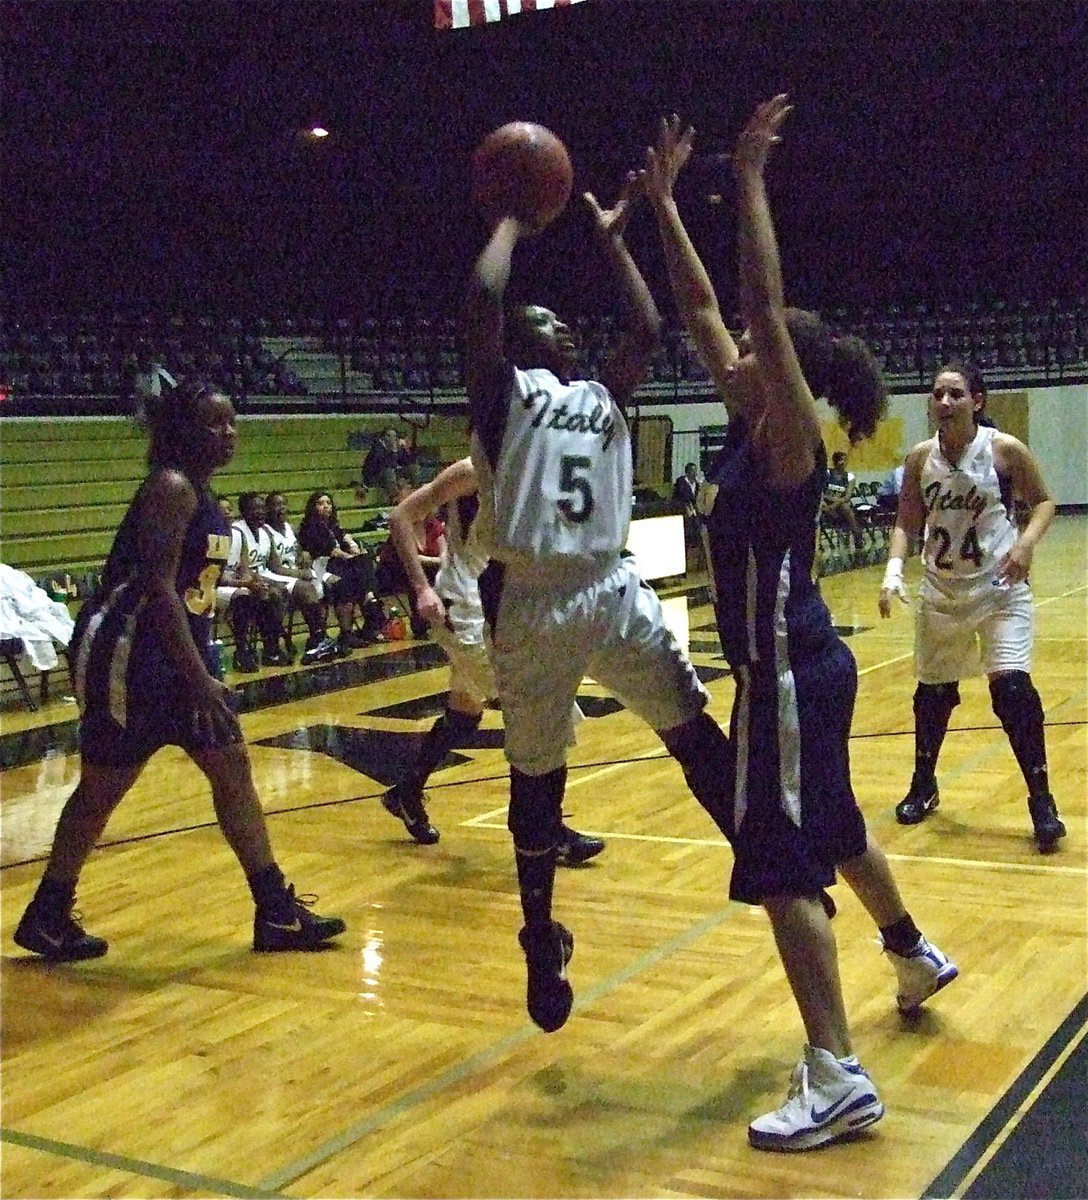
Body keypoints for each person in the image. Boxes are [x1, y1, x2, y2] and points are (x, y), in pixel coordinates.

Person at [644, 98, 957, 1152]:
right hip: (809, 666)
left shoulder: (789, 449)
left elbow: (756, 305)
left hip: (780, 675)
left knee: (781, 865)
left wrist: (750, 184)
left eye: (750, 352)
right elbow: (700, 307)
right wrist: (661, 206)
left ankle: (834, 1076)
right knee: (832, 826)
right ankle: (910, 951)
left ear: (783, 378)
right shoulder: (752, 433)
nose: (725, 354)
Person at [465, 171, 738, 1038]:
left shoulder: (602, 395)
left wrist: (618, 246)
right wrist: (512, 219)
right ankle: (539, 936)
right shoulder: (507, 394)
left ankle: (762, 857)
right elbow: (479, 300)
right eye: (548, 322)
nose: (567, 328)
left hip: (610, 585)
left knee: (695, 729)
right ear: (521, 342)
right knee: (536, 778)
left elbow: (650, 327)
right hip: (538, 597)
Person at [13, 375, 346, 962]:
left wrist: (199, 664)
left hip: (171, 653)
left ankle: (275, 910)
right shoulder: (170, 487)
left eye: (233, 421)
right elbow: (158, 589)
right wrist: (200, 677)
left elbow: (191, 595)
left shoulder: (203, 494)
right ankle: (48, 912)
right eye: (215, 423)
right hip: (128, 651)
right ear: (182, 432)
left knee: (231, 767)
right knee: (102, 786)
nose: (229, 432)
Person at [381, 457, 604, 867]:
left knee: (464, 714)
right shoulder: (471, 470)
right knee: (543, 713)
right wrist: (420, 588)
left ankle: (406, 793)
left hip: (491, 600)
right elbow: (400, 517)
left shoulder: (530, 464)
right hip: (460, 604)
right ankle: (546, 831)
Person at [878, 359, 1064, 851]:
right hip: (941, 590)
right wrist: (893, 571)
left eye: (955, 394)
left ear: (976, 401)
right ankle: (924, 784)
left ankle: (1041, 800)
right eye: (938, 394)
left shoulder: (1003, 450)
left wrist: (1024, 545)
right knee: (932, 695)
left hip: (999, 587)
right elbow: (906, 520)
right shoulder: (920, 458)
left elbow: (1045, 501)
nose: (944, 402)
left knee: (1013, 691)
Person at [297, 490, 386, 653]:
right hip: (321, 566)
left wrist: (352, 544)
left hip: (339, 564)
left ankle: (369, 596)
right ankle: (366, 605)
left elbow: (344, 535)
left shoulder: (332, 527)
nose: (325, 506)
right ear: (313, 507)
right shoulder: (309, 528)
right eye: (321, 503)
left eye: (328, 503)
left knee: (364, 561)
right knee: (351, 575)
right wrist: (351, 556)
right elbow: (330, 551)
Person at [263, 491, 338, 665]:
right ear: (268, 509)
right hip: (277, 575)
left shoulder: (289, 528)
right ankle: (318, 639)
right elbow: (274, 567)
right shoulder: (266, 531)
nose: (281, 508)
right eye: (276, 504)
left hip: (294, 572)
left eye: (284, 504)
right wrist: (301, 573)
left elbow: (298, 555)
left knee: (333, 582)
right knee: (307, 587)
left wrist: (303, 556)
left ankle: (321, 637)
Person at [225, 492, 294, 668]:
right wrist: (248, 583)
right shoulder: (228, 534)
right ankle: (242, 650)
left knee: (268, 594)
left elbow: (246, 569)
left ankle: (271, 649)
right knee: (245, 597)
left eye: (228, 510)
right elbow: (218, 575)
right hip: (218, 584)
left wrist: (254, 583)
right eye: (254, 508)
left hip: (236, 581)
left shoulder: (250, 533)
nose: (260, 512)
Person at [377, 474, 446, 637]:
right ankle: (420, 623)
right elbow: (408, 558)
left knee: (442, 573)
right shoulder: (401, 528)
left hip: (429, 567)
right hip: (396, 571)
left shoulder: (434, 525)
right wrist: (434, 561)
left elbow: (445, 554)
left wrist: (433, 561)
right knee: (417, 574)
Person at [821, 450, 865, 552]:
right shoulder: (827, 473)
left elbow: (848, 496)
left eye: (844, 460)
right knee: (820, 504)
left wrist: (836, 503)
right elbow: (821, 492)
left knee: (846, 508)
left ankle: (858, 539)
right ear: (834, 461)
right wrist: (833, 500)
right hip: (826, 501)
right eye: (840, 460)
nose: (842, 462)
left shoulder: (850, 477)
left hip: (840, 504)